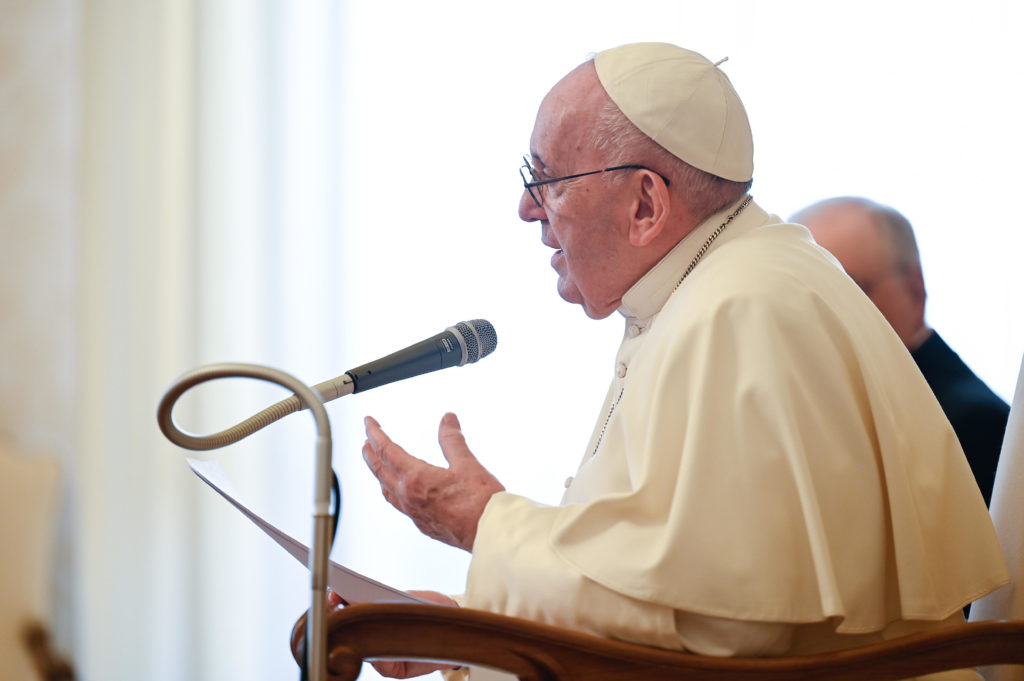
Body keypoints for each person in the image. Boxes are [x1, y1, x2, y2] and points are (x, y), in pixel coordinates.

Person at [359, 43, 1009, 679]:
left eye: (546, 179)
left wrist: (486, 524)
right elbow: (660, 588)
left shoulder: (741, 308)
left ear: (645, 203)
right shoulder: (711, 287)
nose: (528, 209)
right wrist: (467, 630)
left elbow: (724, 621)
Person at [791, 197, 1011, 505]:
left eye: (852, 290)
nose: (824, 319)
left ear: (914, 288)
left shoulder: (973, 425)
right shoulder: (816, 418)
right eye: (808, 301)